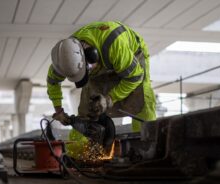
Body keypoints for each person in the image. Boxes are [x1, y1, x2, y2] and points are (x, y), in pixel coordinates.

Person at [46, 21, 156, 158]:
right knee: (87, 110)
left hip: (132, 58)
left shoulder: (115, 47)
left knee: (142, 103)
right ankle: (78, 156)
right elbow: (52, 83)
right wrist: (58, 110)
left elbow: (135, 77)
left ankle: (144, 151)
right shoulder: (64, 61)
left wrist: (110, 99)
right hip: (100, 64)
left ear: (91, 55)